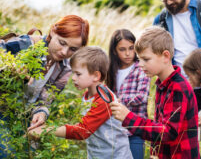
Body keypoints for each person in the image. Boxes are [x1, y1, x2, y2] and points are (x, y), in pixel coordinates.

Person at [0, 15, 89, 157]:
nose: (64, 52)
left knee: (26, 153)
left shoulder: (65, 68)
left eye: (73, 49)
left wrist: (41, 113)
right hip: (3, 111)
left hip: (24, 118)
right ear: (53, 31)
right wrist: (9, 67)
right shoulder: (28, 45)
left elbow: (45, 100)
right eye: (62, 43)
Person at [110, 27, 200, 159]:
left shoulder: (178, 87)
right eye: (139, 59)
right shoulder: (161, 85)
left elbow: (168, 132)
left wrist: (128, 118)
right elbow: (160, 125)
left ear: (165, 56)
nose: (140, 64)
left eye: (146, 59)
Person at [29, 46, 133, 159]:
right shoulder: (87, 96)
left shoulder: (104, 99)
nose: (73, 78)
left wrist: (46, 130)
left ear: (96, 76)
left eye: (78, 74)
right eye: (73, 73)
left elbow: (82, 131)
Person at [106, 29, 150, 159]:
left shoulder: (141, 68)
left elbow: (142, 96)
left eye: (131, 48)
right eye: (122, 49)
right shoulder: (111, 70)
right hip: (115, 130)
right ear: (114, 51)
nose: (128, 53)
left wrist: (118, 100)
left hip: (134, 129)